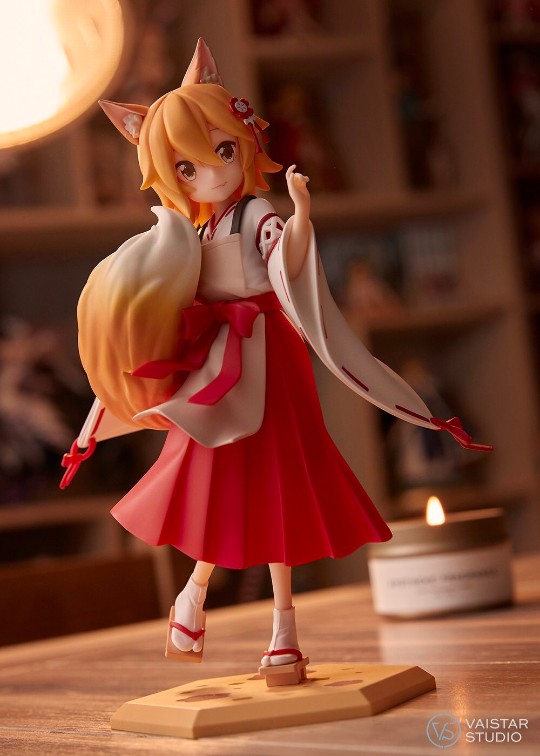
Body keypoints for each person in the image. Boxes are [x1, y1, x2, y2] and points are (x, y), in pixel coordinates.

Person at [62, 39, 490, 671]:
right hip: (215, 356)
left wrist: (303, 215)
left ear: (243, 141)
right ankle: (194, 594)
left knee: (277, 483)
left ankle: (281, 627)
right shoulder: (192, 229)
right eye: (187, 168)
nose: (211, 174)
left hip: (267, 358)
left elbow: (286, 262)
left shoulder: (254, 214)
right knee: (209, 475)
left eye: (223, 152)